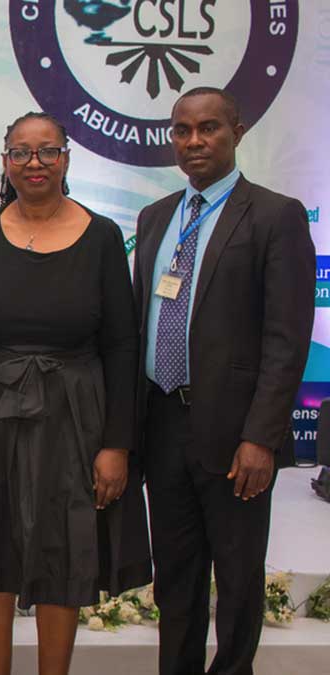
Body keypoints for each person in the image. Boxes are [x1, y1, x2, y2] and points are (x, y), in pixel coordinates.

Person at [0, 112, 152, 675]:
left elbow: (122, 346)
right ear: (5, 162)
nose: (34, 163)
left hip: (73, 419)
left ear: (66, 159)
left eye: (47, 151)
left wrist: (117, 444)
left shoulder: (102, 236)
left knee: (63, 553)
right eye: (21, 152)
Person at [133, 87, 314, 675]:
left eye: (208, 128)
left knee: (237, 581)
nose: (194, 141)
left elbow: (287, 340)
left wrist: (261, 437)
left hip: (238, 436)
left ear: (237, 131)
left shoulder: (275, 215)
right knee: (175, 579)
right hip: (163, 425)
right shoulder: (155, 218)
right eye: (182, 130)